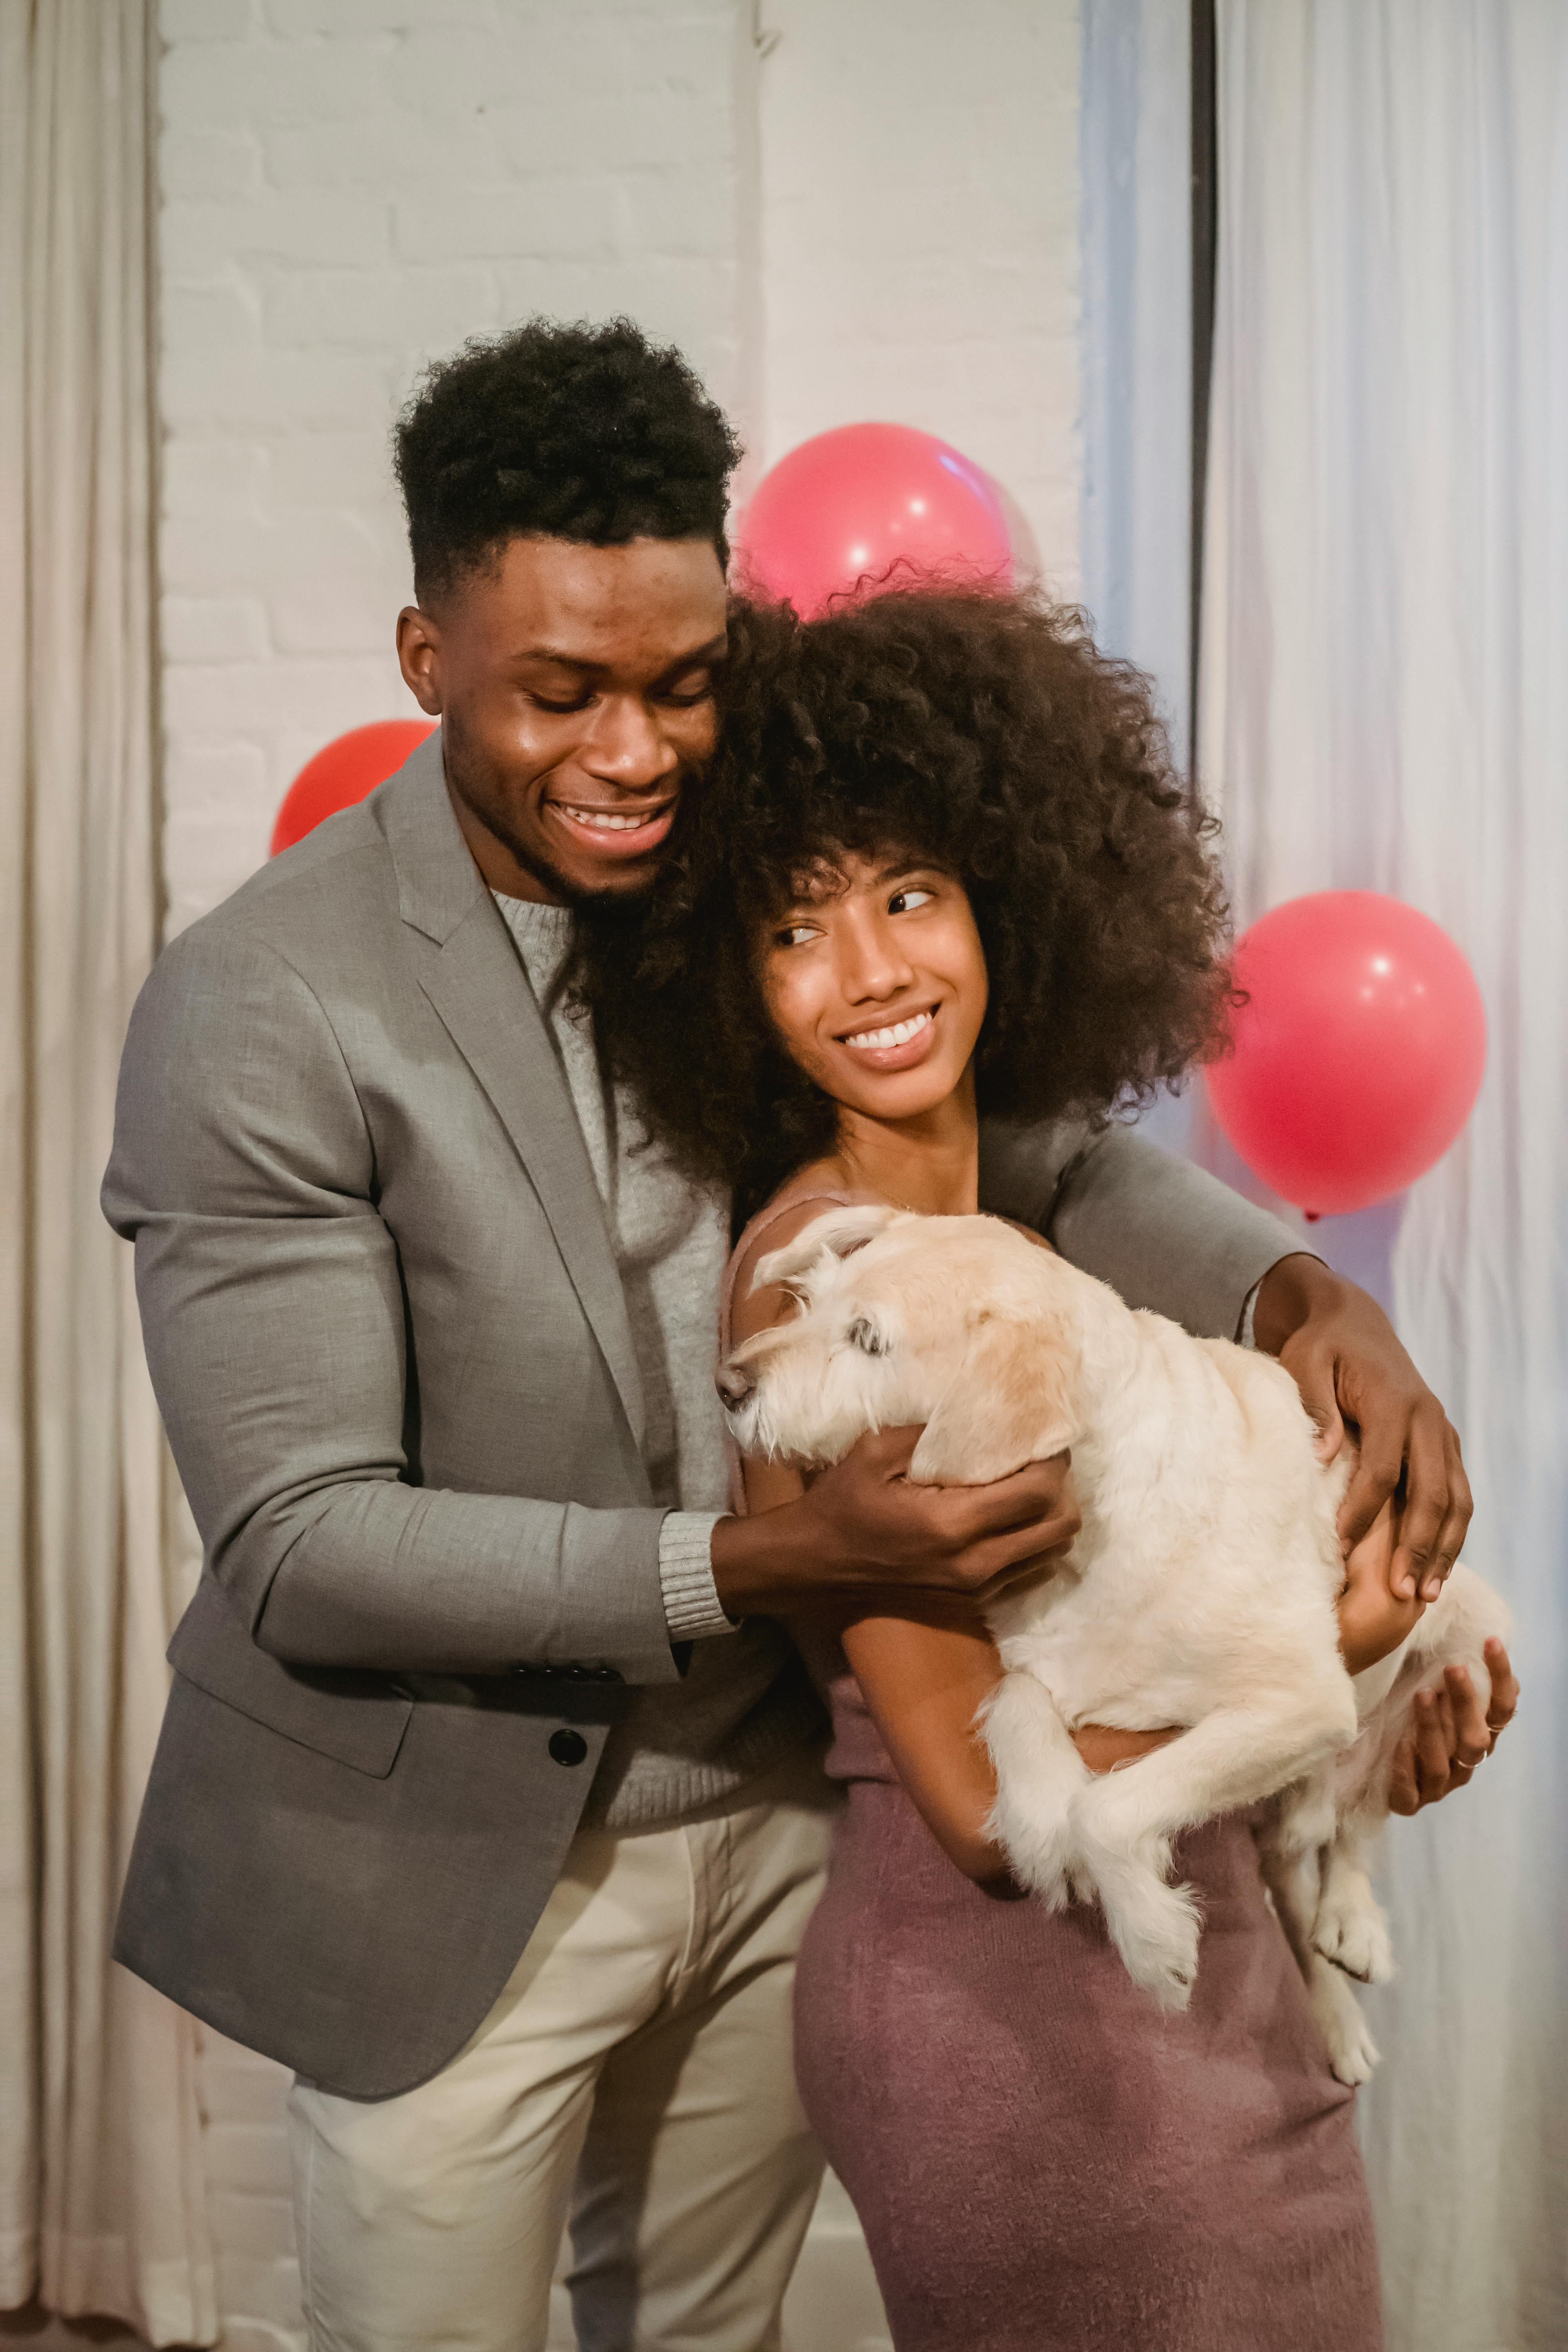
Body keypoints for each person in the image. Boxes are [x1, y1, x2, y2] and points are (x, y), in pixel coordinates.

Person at [103, 318, 1497, 2352]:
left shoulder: (734, 877)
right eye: (559, 695)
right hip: (448, 1858)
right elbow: (307, 1534)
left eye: (681, 684)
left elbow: (1013, 1148)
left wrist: (1299, 1287)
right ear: (427, 664)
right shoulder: (264, 1003)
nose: (635, 752)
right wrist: (760, 1563)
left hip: (773, 1827)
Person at [576, 586, 1519, 2350]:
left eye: (911, 897)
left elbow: (1155, 1628)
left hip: (1208, 1974)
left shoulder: (1024, 1220)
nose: (871, 971)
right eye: (796, 930)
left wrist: (1369, 1719)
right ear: (729, 981)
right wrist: (1332, 1649)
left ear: (1003, 906)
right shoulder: (831, 1290)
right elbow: (990, 1811)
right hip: (1019, 2022)